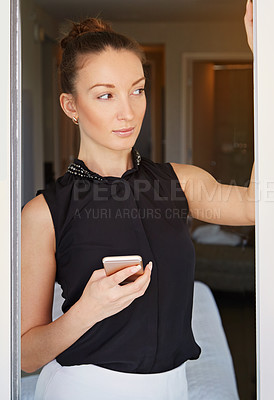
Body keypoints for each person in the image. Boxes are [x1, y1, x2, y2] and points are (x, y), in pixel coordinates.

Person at [21, 2, 254, 399]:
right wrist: (87, 310)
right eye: (105, 95)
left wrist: (268, 65)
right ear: (71, 106)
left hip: (171, 387)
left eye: (137, 90)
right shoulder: (45, 212)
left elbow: (255, 207)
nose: (127, 111)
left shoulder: (180, 181)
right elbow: (26, 355)